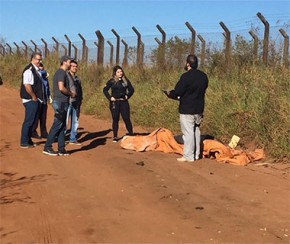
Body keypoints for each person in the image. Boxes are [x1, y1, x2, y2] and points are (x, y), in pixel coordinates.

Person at [167, 54, 208, 162]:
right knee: (196, 130)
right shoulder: (203, 76)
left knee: (188, 132)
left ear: (188, 63)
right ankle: (197, 154)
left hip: (187, 108)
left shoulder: (186, 76)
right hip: (199, 108)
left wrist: (171, 94)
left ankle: (188, 156)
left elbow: (178, 91)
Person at [43, 55, 76, 156]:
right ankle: (47, 147)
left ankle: (61, 148)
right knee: (57, 124)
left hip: (63, 102)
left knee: (62, 126)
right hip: (60, 102)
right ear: (64, 62)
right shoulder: (61, 73)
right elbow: (61, 88)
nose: (71, 64)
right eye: (69, 62)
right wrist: (71, 93)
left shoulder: (63, 73)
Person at [103, 65, 134, 142]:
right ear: (115, 73)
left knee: (126, 118)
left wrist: (127, 96)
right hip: (115, 103)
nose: (120, 73)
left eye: (121, 71)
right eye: (118, 72)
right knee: (115, 119)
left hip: (124, 102)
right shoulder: (112, 81)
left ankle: (131, 134)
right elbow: (105, 90)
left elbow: (131, 90)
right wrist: (110, 97)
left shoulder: (125, 81)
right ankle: (115, 136)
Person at [20, 52, 44, 148]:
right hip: (30, 99)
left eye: (40, 59)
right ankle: (24, 141)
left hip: (35, 99)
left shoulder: (35, 70)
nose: (39, 61)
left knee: (33, 121)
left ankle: (28, 140)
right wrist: (33, 96)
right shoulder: (29, 70)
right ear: (32, 59)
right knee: (29, 121)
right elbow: (27, 85)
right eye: (38, 59)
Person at [31, 63, 52, 139]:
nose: (41, 68)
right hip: (38, 98)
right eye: (39, 67)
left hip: (44, 99)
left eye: (42, 67)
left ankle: (44, 132)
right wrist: (44, 71)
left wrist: (49, 96)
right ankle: (33, 131)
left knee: (43, 117)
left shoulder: (45, 78)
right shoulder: (38, 75)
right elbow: (41, 72)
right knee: (36, 116)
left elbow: (47, 87)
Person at [66, 59, 83, 145]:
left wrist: (80, 100)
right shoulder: (66, 76)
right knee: (65, 120)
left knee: (75, 121)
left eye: (76, 66)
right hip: (68, 101)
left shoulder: (77, 79)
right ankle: (62, 137)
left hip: (76, 102)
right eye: (73, 66)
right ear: (69, 67)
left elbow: (80, 90)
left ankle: (73, 138)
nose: (75, 68)